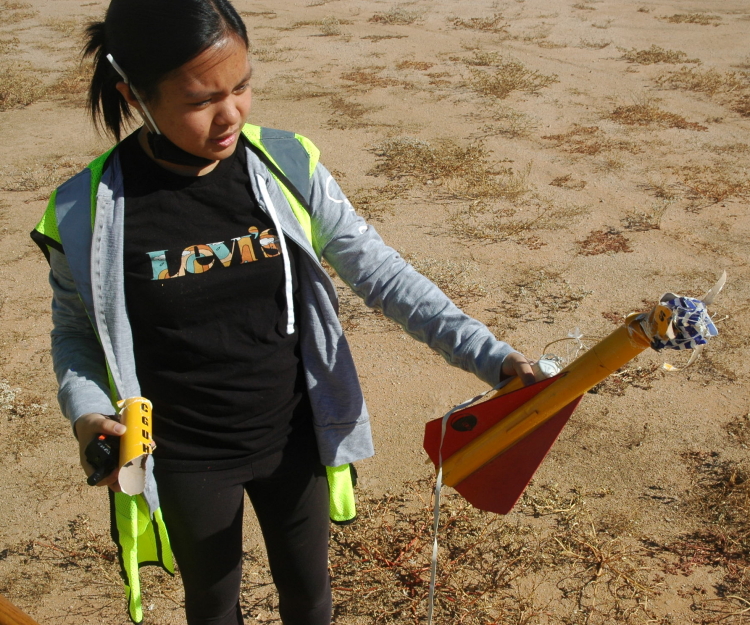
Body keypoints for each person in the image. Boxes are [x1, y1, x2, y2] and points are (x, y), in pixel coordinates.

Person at [31, 0, 536, 623]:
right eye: (199, 101)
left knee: (309, 592)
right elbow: (76, 331)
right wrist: (88, 417)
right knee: (212, 604)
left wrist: (493, 357)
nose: (230, 115)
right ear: (132, 93)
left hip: (292, 434)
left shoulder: (285, 165)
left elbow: (381, 272)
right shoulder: (86, 211)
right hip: (185, 453)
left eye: (241, 86)